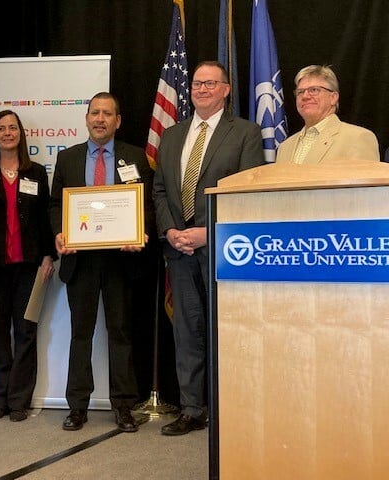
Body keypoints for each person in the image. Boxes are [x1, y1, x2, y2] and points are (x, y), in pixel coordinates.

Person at [153, 61, 266, 436]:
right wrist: (171, 230)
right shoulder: (172, 135)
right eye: (197, 83)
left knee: (229, 333)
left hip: (225, 250)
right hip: (179, 251)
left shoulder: (245, 133)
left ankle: (230, 410)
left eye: (210, 83)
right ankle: (192, 409)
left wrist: (209, 232)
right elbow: (160, 191)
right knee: (187, 334)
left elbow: (248, 192)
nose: (201, 89)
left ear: (226, 89)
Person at [48, 91, 155, 433]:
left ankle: (123, 406)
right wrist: (60, 233)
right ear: (86, 119)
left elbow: (146, 204)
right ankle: (77, 406)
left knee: (120, 333)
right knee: (80, 334)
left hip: (121, 260)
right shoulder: (68, 158)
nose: (100, 119)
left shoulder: (135, 157)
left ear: (117, 121)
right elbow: (55, 204)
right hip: (80, 261)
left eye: (107, 113)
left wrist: (141, 232)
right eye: (95, 113)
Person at [0, 110, 56, 422]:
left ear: (20, 134)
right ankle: (0, 400)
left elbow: (44, 217)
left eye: (12, 128)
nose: (7, 133)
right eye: (1, 128)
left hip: (30, 266)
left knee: (26, 332)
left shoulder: (36, 172)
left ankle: (19, 402)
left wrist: (48, 255)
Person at [276, 64, 380, 164]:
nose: (305, 96)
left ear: (333, 97)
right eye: (300, 92)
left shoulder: (357, 138)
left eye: (314, 90)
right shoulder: (284, 147)